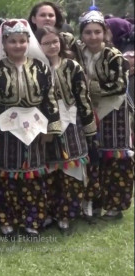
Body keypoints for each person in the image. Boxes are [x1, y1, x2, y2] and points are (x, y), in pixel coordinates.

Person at [0, 19, 61, 238]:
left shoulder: (40, 68)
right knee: (7, 175)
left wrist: (51, 129)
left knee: (33, 175)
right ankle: (7, 220)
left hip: (35, 128)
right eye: (13, 41)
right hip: (6, 129)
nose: (18, 46)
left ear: (28, 42)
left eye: (22, 41)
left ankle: (32, 220)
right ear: (5, 44)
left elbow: (50, 100)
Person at [69, 10, 133, 220]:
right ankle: (93, 203)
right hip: (89, 110)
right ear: (82, 34)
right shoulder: (78, 51)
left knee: (114, 158)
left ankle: (114, 206)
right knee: (93, 157)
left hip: (114, 111)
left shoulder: (113, 55)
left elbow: (120, 86)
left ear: (105, 33)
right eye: (88, 32)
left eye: (97, 32)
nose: (93, 37)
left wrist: (90, 86)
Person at [35, 25, 97, 235]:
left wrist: (90, 129)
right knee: (50, 171)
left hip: (71, 121)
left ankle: (67, 214)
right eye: (46, 43)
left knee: (72, 170)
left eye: (55, 41)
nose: (52, 46)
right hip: (44, 124)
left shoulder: (72, 67)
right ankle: (51, 213)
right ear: (38, 45)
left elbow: (83, 99)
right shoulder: (34, 68)